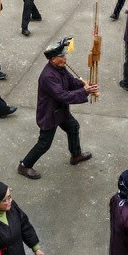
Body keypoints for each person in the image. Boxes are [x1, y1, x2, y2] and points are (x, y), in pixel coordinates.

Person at [17, 37, 95, 179]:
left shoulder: (61, 68)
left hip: (60, 110)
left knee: (73, 127)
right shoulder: (48, 76)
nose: (65, 59)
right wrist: (84, 92)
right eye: (62, 56)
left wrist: (83, 84)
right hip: (49, 114)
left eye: (64, 56)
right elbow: (63, 95)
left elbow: (71, 82)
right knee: (44, 143)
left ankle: (76, 155)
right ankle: (24, 165)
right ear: (53, 59)